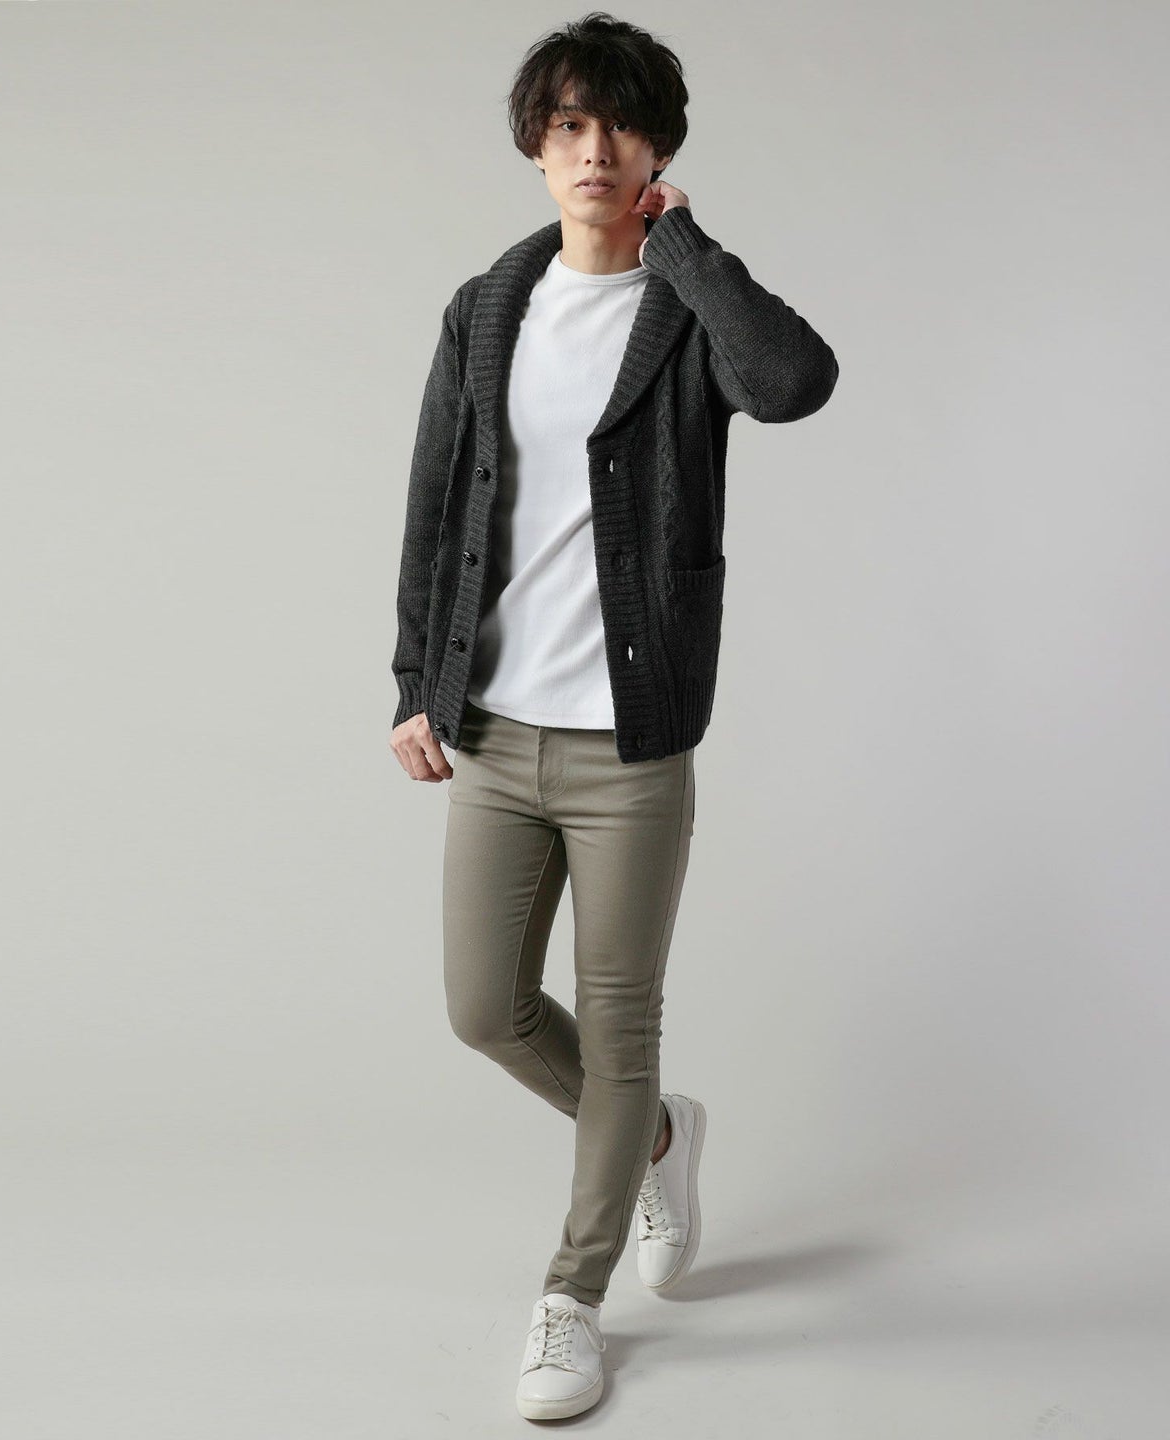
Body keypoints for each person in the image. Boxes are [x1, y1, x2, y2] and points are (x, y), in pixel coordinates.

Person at [388, 11, 838, 1421]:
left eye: (622, 127)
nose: (596, 150)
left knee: (618, 1017)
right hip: (493, 728)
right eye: (572, 125)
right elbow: (436, 503)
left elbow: (795, 383)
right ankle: (653, 1139)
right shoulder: (486, 308)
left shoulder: (685, 310)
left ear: (659, 149)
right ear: (538, 144)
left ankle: (571, 1299)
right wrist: (413, 682)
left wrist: (687, 249)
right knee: (484, 1008)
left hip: (629, 739)